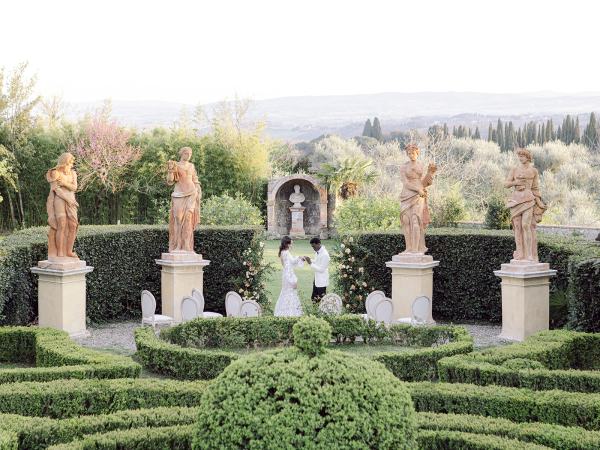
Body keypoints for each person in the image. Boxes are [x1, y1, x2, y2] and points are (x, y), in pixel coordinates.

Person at [504, 148, 546, 262]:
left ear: (528, 157)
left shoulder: (534, 171)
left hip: (528, 199)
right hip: (515, 200)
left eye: (522, 156)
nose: (520, 158)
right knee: (517, 227)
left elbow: (535, 188)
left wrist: (539, 202)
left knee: (526, 226)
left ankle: (529, 254)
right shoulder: (514, 170)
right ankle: (520, 254)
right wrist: (515, 183)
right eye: (519, 156)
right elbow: (506, 184)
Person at [399, 143, 437, 254]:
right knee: (406, 220)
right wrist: (418, 189)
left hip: (419, 195)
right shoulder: (404, 167)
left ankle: (416, 249)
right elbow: (405, 183)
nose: (411, 155)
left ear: (417, 153)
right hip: (407, 194)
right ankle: (408, 248)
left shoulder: (420, 165)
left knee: (415, 220)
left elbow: (424, 183)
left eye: (413, 153)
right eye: (409, 153)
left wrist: (430, 173)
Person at [166, 147, 201, 253]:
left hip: (191, 193)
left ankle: (187, 246)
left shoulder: (191, 166)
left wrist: (199, 190)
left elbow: (195, 179)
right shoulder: (175, 164)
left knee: (188, 220)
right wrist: (171, 170)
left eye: (190, 153)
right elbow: (170, 180)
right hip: (178, 194)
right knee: (178, 219)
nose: (189, 155)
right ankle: (177, 245)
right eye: (186, 153)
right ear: (181, 153)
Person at [46, 152, 79, 259]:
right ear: (64, 162)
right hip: (60, 200)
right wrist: (67, 198)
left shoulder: (73, 173)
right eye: (69, 163)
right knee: (62, 224)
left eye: (71, 164)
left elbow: (74, 188)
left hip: (71, 200)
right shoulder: (55, 173)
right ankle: (60, 251)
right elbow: (56, 190)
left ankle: (69, 251)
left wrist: (64, 184)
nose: (71, 166)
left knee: (73, 225)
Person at [274, 236, 304, 317]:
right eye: (291, 243)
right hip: (288, 276)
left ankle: (286, 311)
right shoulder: (286, 253)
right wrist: (292, 281)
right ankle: (290, 313)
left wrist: (299, 258)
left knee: (286, 292)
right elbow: (288, 268)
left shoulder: (284, 252)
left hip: (286, 275)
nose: (292, 245)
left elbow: (292, 262)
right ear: (287, 244)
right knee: (290, 292)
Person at [304, 237, 330, 302]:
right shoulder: (317, 252)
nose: (313, 248)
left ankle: (321, 312)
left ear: (318, 244)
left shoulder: (325, 255)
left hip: (322, 280)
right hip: (317, 278)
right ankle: (315, 311)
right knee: (314, 298)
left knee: (321, 299)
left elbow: (321, 269)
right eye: (312, 247)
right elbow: (316, 261)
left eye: (314, 246)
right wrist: (309, 259)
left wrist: (310, 263)